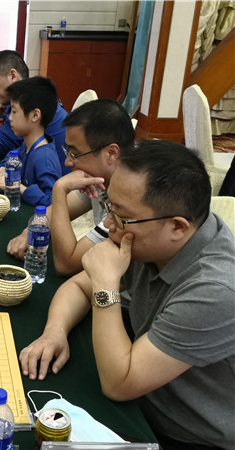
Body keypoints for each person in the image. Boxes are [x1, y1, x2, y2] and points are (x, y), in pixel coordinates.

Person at [20, 140, 234, 449]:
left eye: (121, 216)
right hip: (141, 395)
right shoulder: (150, 234)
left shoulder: (216, 290)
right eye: (109, 205)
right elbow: (77, 286)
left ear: (177, 227)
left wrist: (106, 286)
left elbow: (119, 383)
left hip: (187, 435)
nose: (108, 224)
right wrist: (55, 331)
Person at [7, 99, 135, 276]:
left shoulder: (128, 201)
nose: (68, 162)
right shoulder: (99, 176)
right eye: (68, 152)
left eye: (75, 154)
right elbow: (56, 212)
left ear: (111, 153)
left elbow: (65, 265)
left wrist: (60, 188)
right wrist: (27, 233)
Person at [0, 50, 69, 175]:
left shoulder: (28, 105)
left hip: (57, 178)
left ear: (13, 76)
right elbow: (18, 150)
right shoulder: (28, 96)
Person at [0, 77, 62, 207]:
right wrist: (3, 170)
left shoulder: (44, 158)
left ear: (35, 115)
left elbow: (53, 203)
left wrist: (19, 187)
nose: (10, 118)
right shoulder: (27, 145)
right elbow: (13, 154)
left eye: (14, 112)